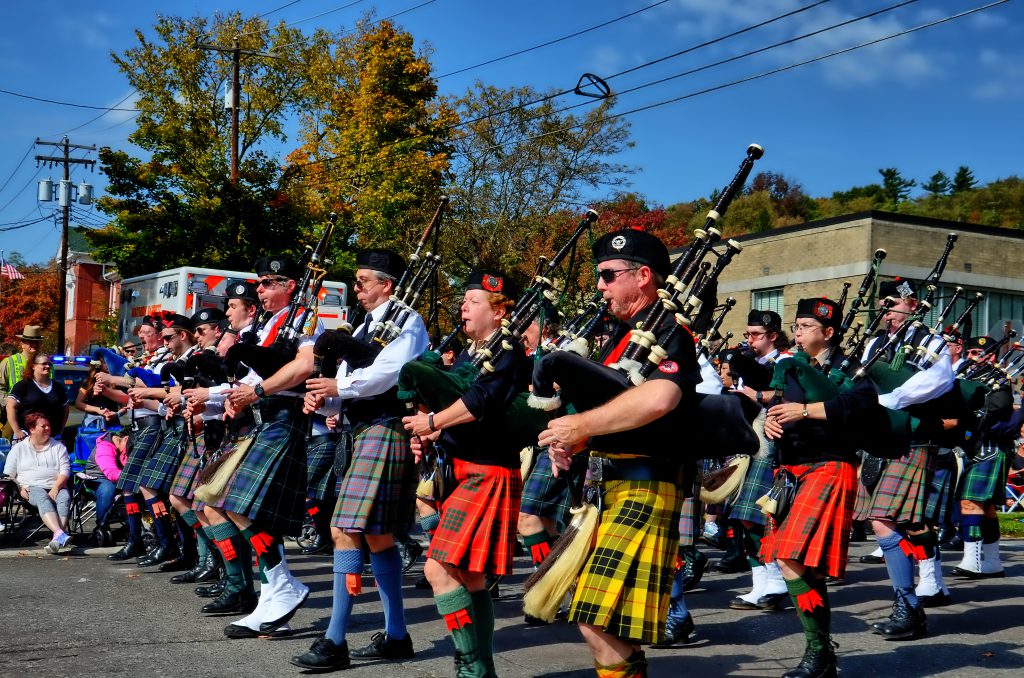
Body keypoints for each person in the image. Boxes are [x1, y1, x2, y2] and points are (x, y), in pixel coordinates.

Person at [540, 229, 701, 678]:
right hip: (608, 488)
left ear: (643, 276)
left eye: (609, 276)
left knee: (594, 618)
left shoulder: (673, 332)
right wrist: (574, 439)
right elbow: (609, 405)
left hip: (647, 487)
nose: (600, 286)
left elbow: (658, 400)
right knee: (604, 625)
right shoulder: (619, 336)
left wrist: (582, 426)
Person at [291, 249, 427, 671]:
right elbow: (350, 388)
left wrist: (338, 385)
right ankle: (397, 636)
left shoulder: (408, 320)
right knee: (376, 538)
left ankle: (334, 641)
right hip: (360, 431)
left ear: (387, 284)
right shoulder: (366, 326)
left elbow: (388, 374)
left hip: (385, 429)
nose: (358, 287)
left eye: (365, 280)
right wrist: (326, 398)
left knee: (344, 529)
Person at [402, 269, 529, 678]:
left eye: (473, 301)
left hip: (488, 471)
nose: (463, 307)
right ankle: (481, 668)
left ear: (500, 309)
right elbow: (451, 395)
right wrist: (428, 428)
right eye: (464, 301)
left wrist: (434, 420)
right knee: (471, 578)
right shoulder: (473, 353)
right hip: (463, 470)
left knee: (437, 570)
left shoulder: (508, 351)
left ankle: (472, 667)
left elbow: (480, 401)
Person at [206, 255, 320, 635]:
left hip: (284, 417)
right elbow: (255, 375)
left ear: (290, 285)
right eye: (260, 282)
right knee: (231, 502)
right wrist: (224, 394)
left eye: (270, 282)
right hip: (261, 419)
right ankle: (273, 598)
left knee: (237, 503)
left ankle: (282, 586)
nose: (261, 288)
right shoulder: (269, 324)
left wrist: (256, 390)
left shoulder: (303, 318)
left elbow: (303, 368)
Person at [762, 297, 876, 678]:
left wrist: (805, 411)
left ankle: (818, 651)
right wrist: (771, 423)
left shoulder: (851, 368)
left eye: (806, 326)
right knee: (788, 561)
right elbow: (779, 405)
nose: (797, 332)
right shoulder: (788, 368)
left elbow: (860, 408)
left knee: (792, 556)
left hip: (830, 465)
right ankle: (822, 652)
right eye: (796, 325)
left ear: (828, 333)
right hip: (791, 472)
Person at [852, 278, 955, 640]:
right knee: (882, 522)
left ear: (913, 305)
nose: (887, 311)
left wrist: (890, 400)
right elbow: (860, 383)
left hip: (915, 435)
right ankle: (909, 605)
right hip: (879, 437)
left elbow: (939, 380)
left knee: (885, 519)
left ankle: (910, 604)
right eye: (883, 305)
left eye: (894, 303)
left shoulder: (931, 341)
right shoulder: (874, 344)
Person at [721, 311, 790, 611]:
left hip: (771, 444)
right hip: (747, 441)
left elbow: (791, 398)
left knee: (762, 516)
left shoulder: (787, 362)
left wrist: (756, 394)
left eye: (756, 335)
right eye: (748, 333)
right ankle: (761, 583)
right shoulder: (751, 363)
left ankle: (776, 581)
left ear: (773, 335)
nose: (749, 339)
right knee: (743, 516)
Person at [3, 413, 72, 554]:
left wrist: (56, 488)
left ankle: (56, 539)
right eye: (43, 426)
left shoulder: (58, 447)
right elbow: (8, 475)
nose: (48, 428)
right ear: (32, 429)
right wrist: (19, 488)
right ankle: (59, 533)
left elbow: (65, 470)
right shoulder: (19, 448)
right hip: (30, 488)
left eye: (49, 426)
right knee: (42, 496)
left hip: (56, 485)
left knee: (64, 497)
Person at [6, 353, 69, 441]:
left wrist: (61, 431)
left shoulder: (58, 387)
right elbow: (10, 407)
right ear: (33, 366)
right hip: (27, 437)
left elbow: (65, 409)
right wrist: (17, 431)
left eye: (49, 364)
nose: (47, 366)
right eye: (44, 364)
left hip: (52, 438)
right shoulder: (23, 385)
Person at [0, 325, 45, 436]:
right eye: (30, 342)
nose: (34, 344)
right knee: (8, 448)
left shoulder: (47, 365)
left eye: (37, 342)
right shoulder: (8, 362)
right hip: (14, 416)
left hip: (39, 417)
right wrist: (11, 403)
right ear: (22, 344)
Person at [75, 362, 121, 430]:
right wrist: (98, 410)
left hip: (113, 422)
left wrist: (117, 413)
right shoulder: (90, 381)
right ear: (99, 364)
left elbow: (125, 404)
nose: (109, 364)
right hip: (93, 422)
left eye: (110, 361)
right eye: (105, 362)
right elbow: (78, 403)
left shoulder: (118, 381)